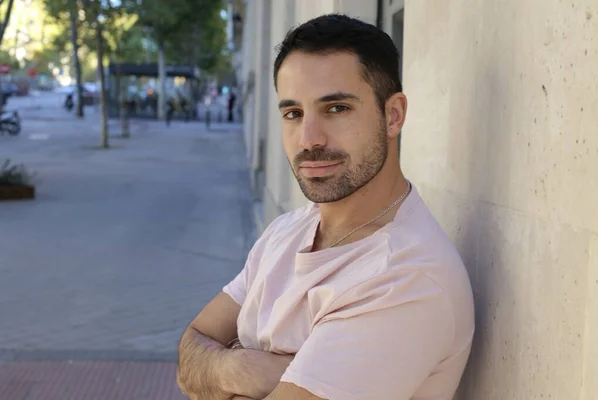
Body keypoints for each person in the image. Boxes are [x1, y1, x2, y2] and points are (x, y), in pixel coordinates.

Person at [177, 14, 474, 400]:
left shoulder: (404, 277)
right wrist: (242, 368)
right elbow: (191, 348)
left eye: (336, 108)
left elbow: (201, 359)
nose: (309, 139)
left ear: (393, 115)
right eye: (293, 114)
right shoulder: (286, 231)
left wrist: (219, 365)